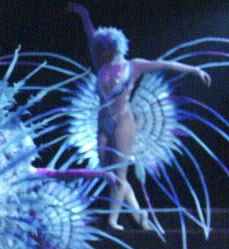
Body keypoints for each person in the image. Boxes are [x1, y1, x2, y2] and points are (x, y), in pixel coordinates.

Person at [68, 2, 211, 230]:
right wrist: (83, 15)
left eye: (103, 48)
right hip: (102, 122)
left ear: (113, 47)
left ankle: (113, 219)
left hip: (123, 121)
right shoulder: (101, 66)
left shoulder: (132, 66)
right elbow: (90, 35)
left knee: (120, 173)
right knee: (110, 174)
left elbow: (166, 65)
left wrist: (196, 70)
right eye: (98, 48)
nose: (99, 51)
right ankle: (141, 218)